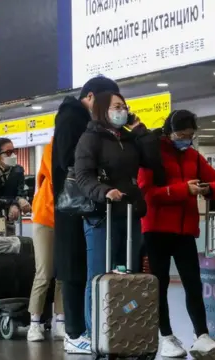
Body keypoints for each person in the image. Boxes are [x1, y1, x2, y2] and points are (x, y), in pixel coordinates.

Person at [137, 110, 215, 359]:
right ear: (169, 132)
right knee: (160, 284)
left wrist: (208, 189)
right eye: (182, 135)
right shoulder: (152, 155)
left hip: (185, 230)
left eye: (190, 136)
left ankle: (201, 335)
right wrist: (182, 190)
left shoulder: (193, 156)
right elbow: (148, 194)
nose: (186, 140)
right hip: (155, 229)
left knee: (193, 283)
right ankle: (165, 336)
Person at [51, 75, 120, 354]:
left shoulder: (83, 120)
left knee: (84, 267)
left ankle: (83, 329)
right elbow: (68, 158)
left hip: (84, 205)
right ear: (90, 97)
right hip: (72, 205)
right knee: (73, 268)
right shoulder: (70, 117)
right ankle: (74, 331)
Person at [74, 91, 148, 338]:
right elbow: (83, 177)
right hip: (101, 215)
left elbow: (153, 161)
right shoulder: (89, 138)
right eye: (117, 106)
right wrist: (103, 191)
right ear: (103, 109)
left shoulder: (128, 139)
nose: (122, 110)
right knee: (98, 274)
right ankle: (94, 332)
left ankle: (123, 327)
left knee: (128, 275)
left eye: (125, 106)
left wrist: (139, 129)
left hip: (129, 214)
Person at [27, 139, 65, 342]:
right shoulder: (53, 147)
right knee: (44, 272)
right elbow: (55, 176)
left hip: (65, 218)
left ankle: (60, 321)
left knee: (62, 272)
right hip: (44, 216)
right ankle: (35, 323)